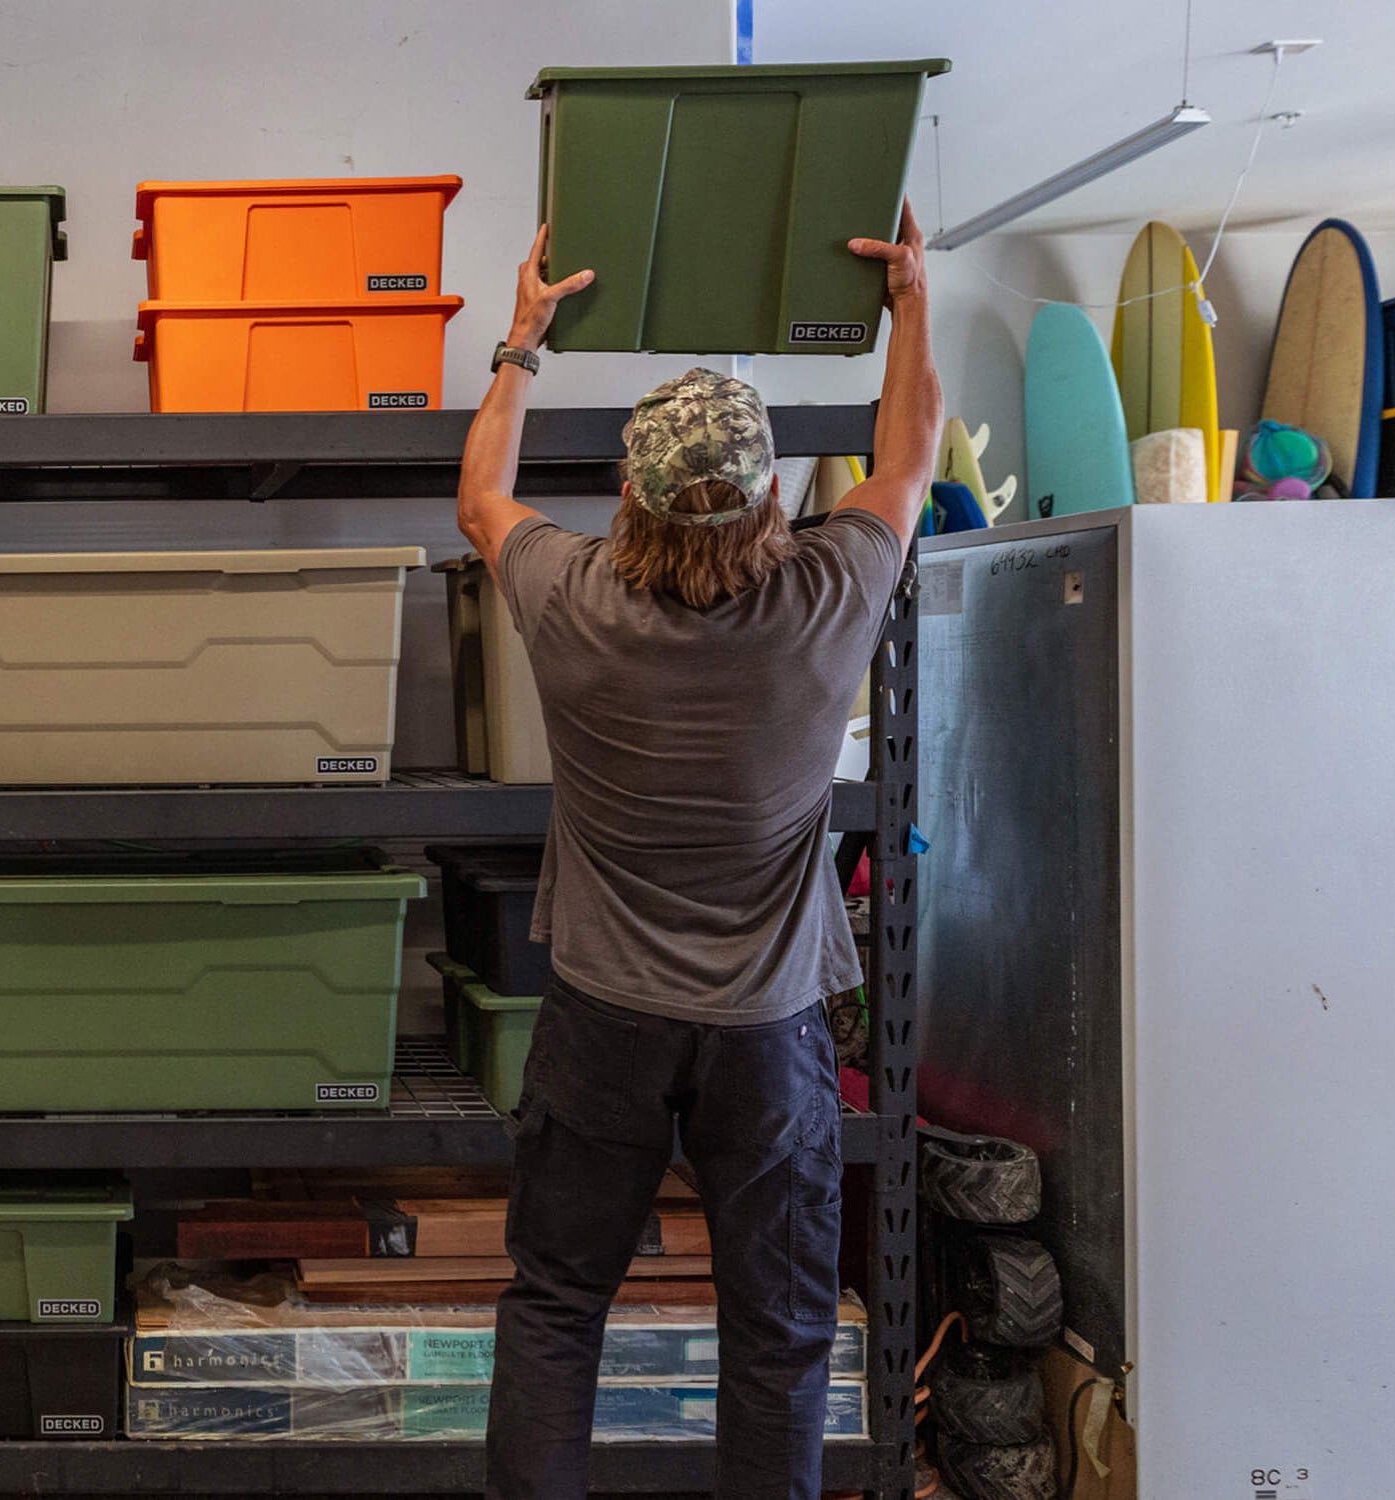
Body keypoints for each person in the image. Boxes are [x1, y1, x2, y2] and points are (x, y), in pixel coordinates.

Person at [458, 205, 938, 1500]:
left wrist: (522, 344)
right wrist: (910, 304)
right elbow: (910, 457)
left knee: (556, 1306)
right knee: (778, 1339)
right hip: (766, 1038)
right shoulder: (827, 600)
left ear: (630, 494)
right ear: (774, 495)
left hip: (603, 1020)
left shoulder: (570, 600)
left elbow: (480, 497)